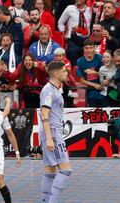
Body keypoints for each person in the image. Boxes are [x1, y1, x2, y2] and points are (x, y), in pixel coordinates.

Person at [39, 61, 73, 203]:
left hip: (51, 132)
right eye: (64, 71)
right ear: (56, 73)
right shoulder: (48, 90)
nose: (66, 73)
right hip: (52, 132)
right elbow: (44, 114)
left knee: (50, 171)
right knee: (66, 170)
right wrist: (50, 138)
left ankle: (45, 201)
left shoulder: (54, 89)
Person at [58, 0, 92, 66]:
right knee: (72, 58)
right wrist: (63, 35)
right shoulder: (69, 8)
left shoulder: (90, 10)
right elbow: (60, 23)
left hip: (86, 40)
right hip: (72, 40)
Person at [76, 39, 107, 107]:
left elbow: (106, 74)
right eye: (87, 48)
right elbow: (81, 80)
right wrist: (95, 85)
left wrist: (94, 72)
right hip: (91, 93)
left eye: (91, 48)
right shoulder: (80, 61)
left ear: (94, 48)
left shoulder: (100, 58)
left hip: (103, 92)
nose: (89, 50)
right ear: (83, 49)